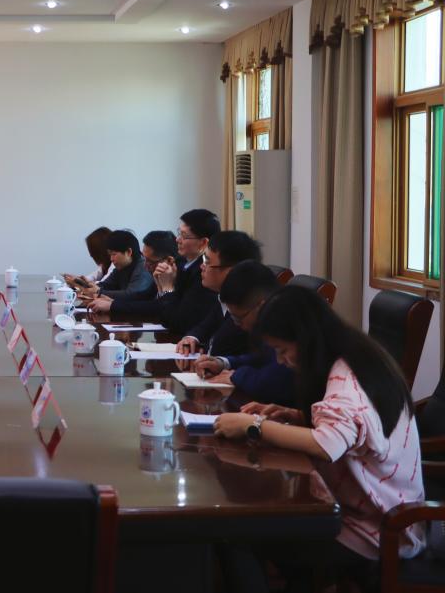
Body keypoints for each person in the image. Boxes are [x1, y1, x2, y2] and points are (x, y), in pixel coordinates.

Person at [213, 286, 425, 590]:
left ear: (306, 339)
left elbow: (328, 444)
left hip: (375, 530)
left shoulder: (346, 378)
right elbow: (359, 430)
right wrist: (296, 416)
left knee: (235, 534)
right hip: (369, 511)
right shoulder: (355, 355)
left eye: (282, 350)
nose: (281, 360)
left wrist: (255, 425)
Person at [96, 210, 220, 334]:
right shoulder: (180, 262)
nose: (178, 239)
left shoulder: (205, 273)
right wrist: (114, 303)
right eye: (179, 233)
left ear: (203, 243)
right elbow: (146, 296)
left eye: (184, 236)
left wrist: (167, 289)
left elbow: (177, 318)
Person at [193, 261, 295, 405]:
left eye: (238, 317)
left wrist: (237, 375)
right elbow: (261, 357)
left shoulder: (288, 324)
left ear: (261, 306)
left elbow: (275, 380)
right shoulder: (268, 323)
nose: (235, 324)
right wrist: (223, 363)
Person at [175, 231, 261, 356]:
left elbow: (219, 348)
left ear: (232, 271)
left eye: (207, 262)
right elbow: (205, 326)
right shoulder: (223, 297)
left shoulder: (245, 309)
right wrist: (192, 338)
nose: (201, 266)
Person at [90, 230, 154, 302]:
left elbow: (131, 295)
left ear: (129, 252)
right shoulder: (121, 267)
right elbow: (107, 285)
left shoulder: (143, 267)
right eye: (110, 255)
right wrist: (89, 287)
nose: (111, 259)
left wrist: (99, 292)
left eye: (114, 254)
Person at [64, 226, 112, 292]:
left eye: (91, 249)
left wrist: (77, 284)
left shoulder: (114, 266)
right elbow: (90, 278)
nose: (90, 255)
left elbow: (101, 286)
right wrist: (76, 280)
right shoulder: (104, 266)